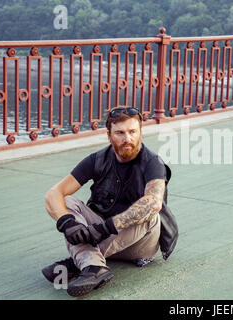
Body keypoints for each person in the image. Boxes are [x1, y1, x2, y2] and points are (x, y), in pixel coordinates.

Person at [42, 106, 178, 297]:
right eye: (120, 133)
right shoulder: (97, 159)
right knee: (67, 201)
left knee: (149, 212)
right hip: (100, 236)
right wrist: (68, 223)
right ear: (109, 135)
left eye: (133, 132)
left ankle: (81, 261)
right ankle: (93, 266)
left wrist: (104, 228)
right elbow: (54, 193)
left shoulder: (153, 162)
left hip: (140, 244)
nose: (127, 139)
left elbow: (153, 202)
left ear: (140, 133)